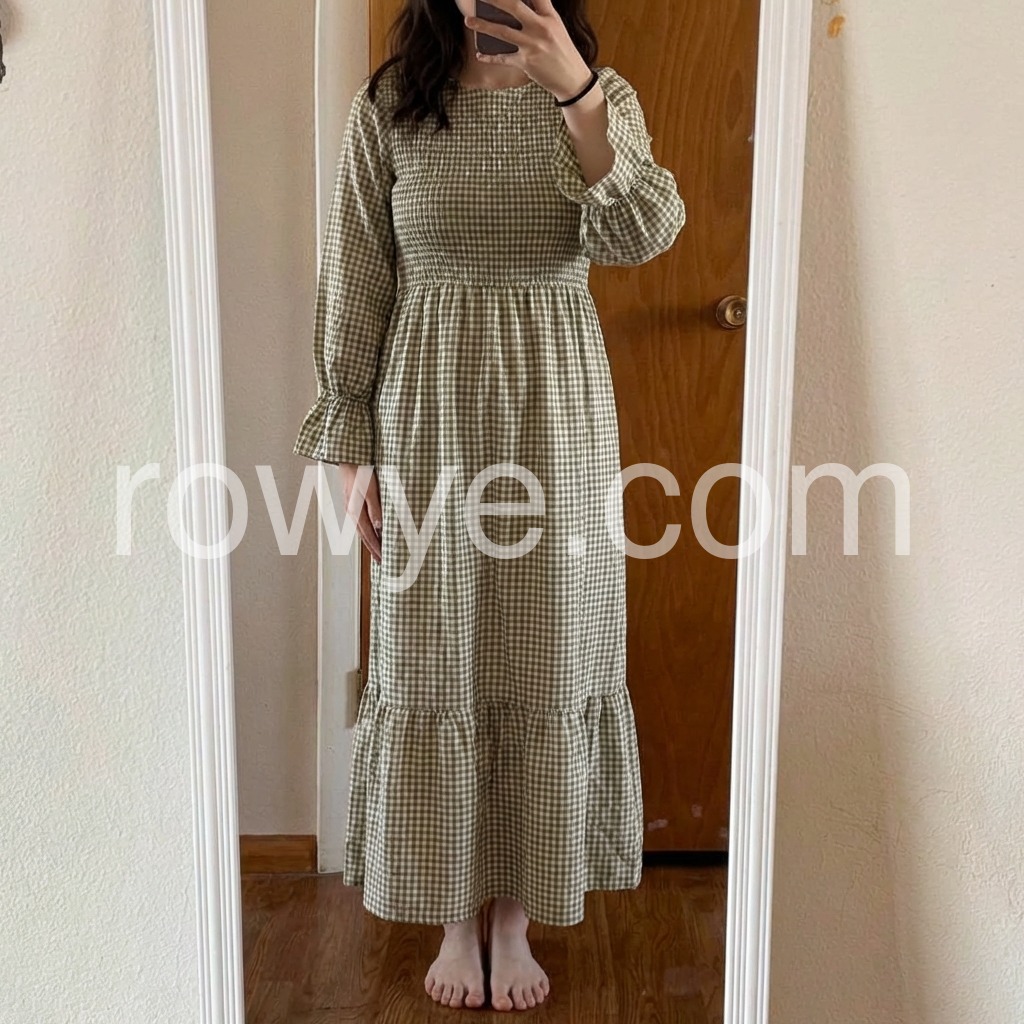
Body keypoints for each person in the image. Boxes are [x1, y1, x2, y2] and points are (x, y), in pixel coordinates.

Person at [293, 0, 686, 1011]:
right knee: (435, 648)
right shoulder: (392, 103)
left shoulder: (598, 97)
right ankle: (450, 913)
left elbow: (642, 232)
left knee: (546, 644)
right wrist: (349, 444)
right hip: (425, 413)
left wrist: (577, 95)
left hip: (556, 415)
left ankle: (513, 913)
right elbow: (356, 272)